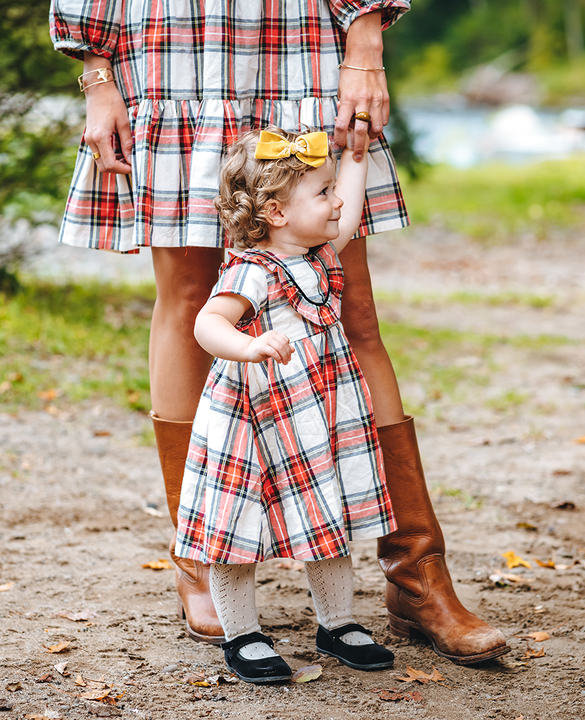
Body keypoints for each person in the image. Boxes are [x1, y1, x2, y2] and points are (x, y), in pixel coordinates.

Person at [49, 0, 509, 665]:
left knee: (353, 314)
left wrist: (366, 46)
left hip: (296, 41)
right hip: (173, 46)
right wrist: (97, 76)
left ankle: (417, 575)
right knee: (187, 303)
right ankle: (200, 560)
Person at [175, 126, 395, 683]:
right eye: (322, 193)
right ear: (276, 212)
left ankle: (337, 622)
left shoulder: (319, 254)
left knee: (326, 503)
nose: (336, 202)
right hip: (255, 416)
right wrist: (248, 346)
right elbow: (207, 323)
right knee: (236, 526)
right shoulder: (251, 269)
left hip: (317, 411)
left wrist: (356, 158)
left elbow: (346, 220)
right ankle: (242, 633)